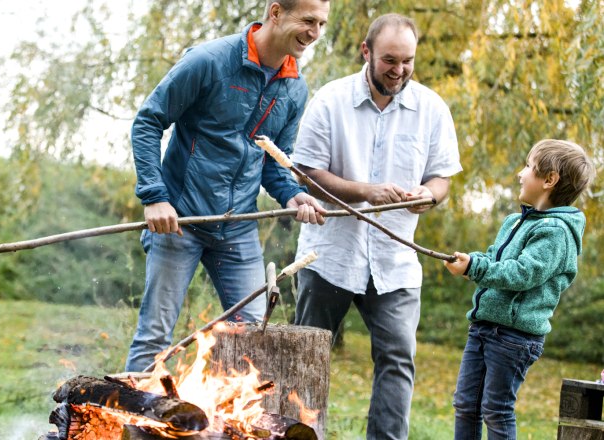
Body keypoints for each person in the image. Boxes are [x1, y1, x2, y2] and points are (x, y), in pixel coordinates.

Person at [124, 0, 330, 373]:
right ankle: (131, 428)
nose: (315, 33)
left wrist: (292, 193)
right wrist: (155, 197)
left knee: (253, 336)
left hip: (237, 228)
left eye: (321, 24)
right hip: (180, 221)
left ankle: (232, 426)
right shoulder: (210, 61)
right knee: (154, 339)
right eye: (308, 20)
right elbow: (147, 122)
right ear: (276, 12)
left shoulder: (295, 88)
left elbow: (272, 160)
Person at [290, 13, 462, 439]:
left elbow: (442, 178)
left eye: (407, 61)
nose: (399, 70)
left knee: (398, 359)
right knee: (305, 358)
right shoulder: (329, 101)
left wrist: (430, 195)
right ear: (366, 52)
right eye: (390, 59)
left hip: (396, 262)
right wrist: (365, 192)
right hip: (327, 256)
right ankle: (294, 433)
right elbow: (305, 174)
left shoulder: (432, 108)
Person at [444, 139, 596, 439]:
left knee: (496, 410)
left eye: (529, 167)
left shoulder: (555, 232)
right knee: (465, 405)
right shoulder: (517, 221)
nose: (520, 173)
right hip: (484, 327)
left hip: (514, 337)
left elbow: (522, 273)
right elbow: (495, 257)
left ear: (549, 180)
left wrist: (476, 269)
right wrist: (473, 261)